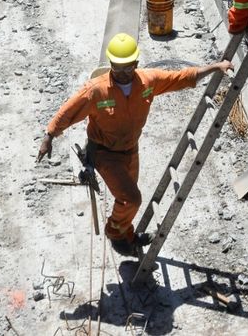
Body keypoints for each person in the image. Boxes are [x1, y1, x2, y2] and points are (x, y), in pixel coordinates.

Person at [38, 33, 232, 256]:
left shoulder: (147, 82)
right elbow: (69, 111)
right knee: (131, 198)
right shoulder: (97, 90)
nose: (121, 73)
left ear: (136, 64)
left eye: (127, 67)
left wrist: (216, 66)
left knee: (128, 198)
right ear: (110, 64)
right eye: (116, 67)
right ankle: (116, 233)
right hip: (104, 152)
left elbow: (182, 77)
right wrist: (49, 135)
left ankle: (127, 232)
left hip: (131, 150)